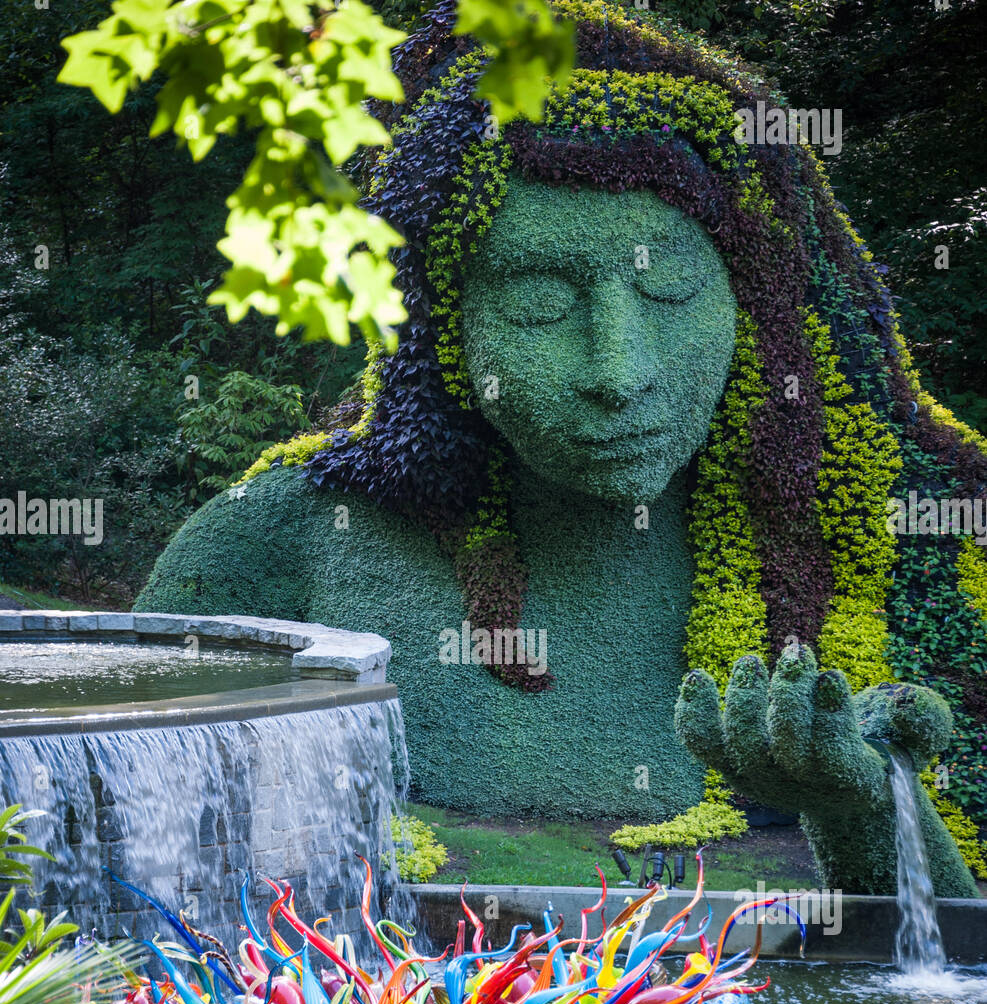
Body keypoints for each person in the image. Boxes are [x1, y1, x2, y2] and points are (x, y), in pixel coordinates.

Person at [139, 1, 986, 895]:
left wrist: (857, 804)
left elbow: (959, 963)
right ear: (438, 331)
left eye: (668, 296)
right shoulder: (275, 532)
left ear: (759, 313)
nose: (616, 372)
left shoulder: (908, 547)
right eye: (539, 303)